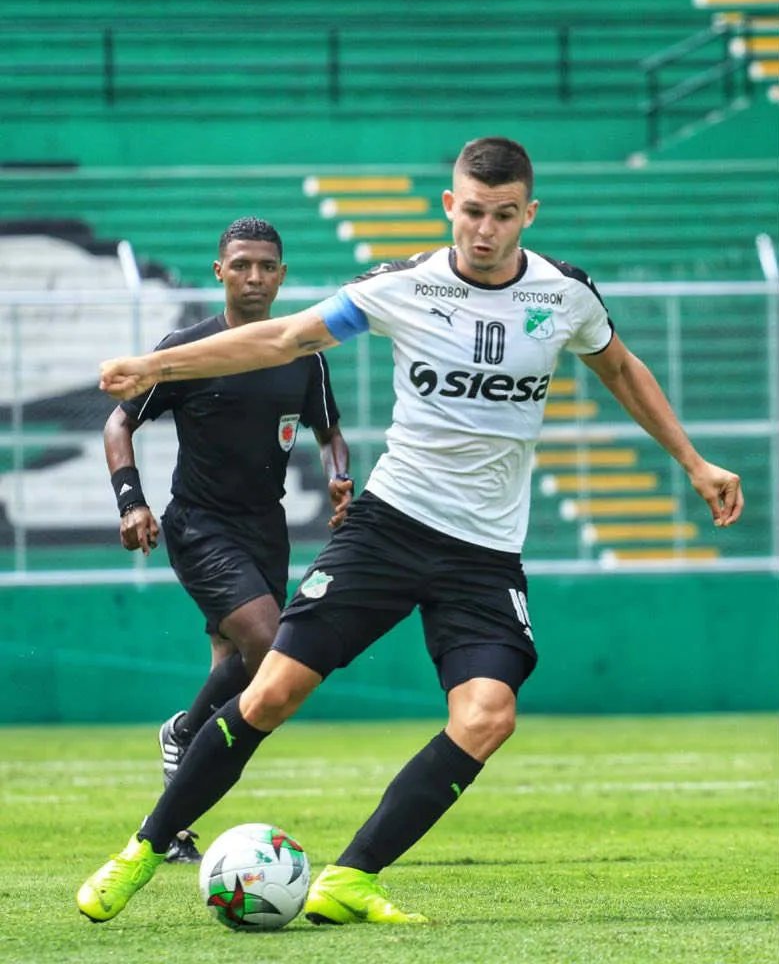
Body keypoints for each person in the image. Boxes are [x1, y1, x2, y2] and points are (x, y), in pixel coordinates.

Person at [78, 137, 743, 926]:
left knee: (487, 716)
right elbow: (283, 337)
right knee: (273, 691)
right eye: (471, 211)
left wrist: (692, 461)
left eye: (503, 215)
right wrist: (160, 368)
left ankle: (351, 877)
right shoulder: (405, 287)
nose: (484, 230)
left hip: (485, 552)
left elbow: (622, 367)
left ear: (528, 213)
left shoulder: (565, 296)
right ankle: (144, 849)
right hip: (389, 528)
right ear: (448, 207)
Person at [103, 215, 352, 864]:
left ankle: (176, 821)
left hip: (265, 529)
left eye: (266, 265)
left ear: (282, 275)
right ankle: (185, 732)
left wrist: (340, 480)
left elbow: (330, 435)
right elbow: (117, 425)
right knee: (269, 647)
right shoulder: (189, 351)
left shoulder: (302, 353)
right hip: (199, 525)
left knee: (237, 675)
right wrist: (131, 501)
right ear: (219, 271)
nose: (254, 276)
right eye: (240, 264)